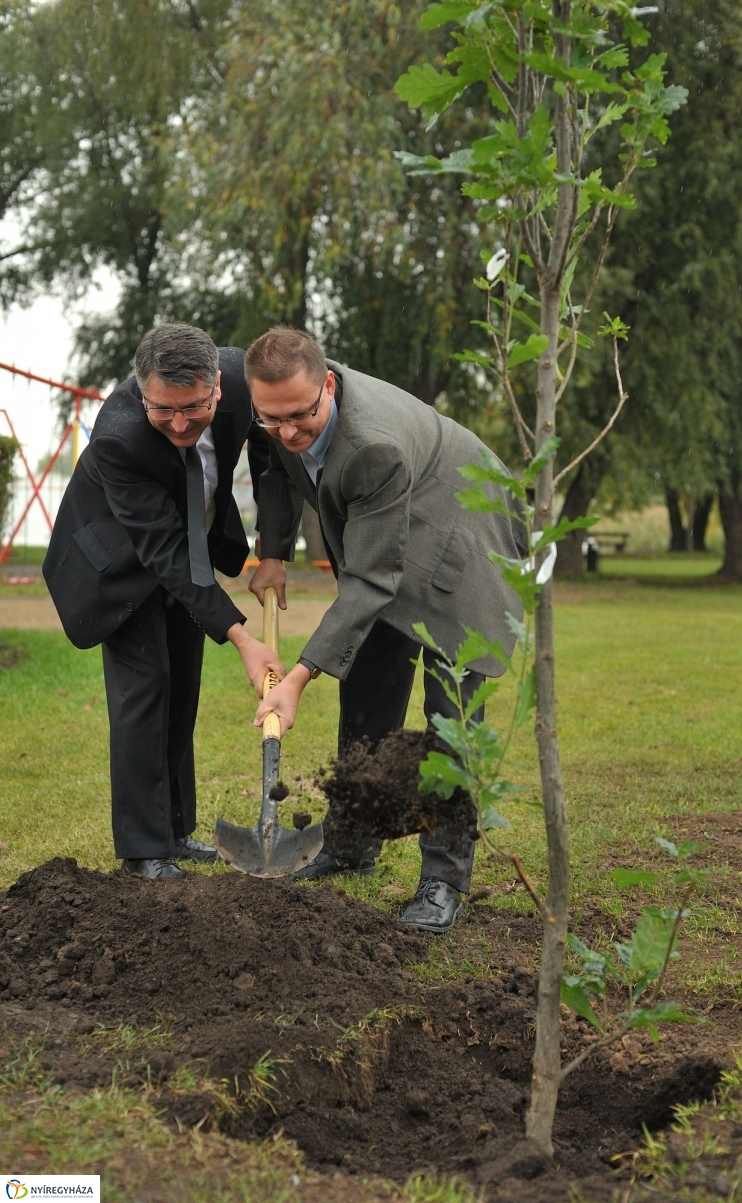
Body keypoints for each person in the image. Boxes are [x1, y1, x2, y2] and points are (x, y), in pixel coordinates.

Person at [247, 327, 527, 932]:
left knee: (450, 716)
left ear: (327, 384)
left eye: (301, 417)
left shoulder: (372, 447)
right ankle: (351, 844)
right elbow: (275, 470)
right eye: (273, 420)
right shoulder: (275, 408)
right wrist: (272, 551)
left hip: (464, 533)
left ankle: (443, 881)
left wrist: (296, 678)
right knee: (369, 687)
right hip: (396, 519)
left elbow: (372, 580)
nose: (288, 432)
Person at [43, 323, 282, 879]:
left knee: (182, 688)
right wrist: (242, 638)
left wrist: (275, 546)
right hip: (119, 563)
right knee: (145, 690)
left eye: (193, 408)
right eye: (162, 409)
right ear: (141, 389)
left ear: (218, 387)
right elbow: (165, 553)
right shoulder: (120, 435)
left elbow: (272, 454)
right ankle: (143, 850)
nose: (179, 424)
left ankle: (175, 829)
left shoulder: (248, 384)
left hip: (186, 547)